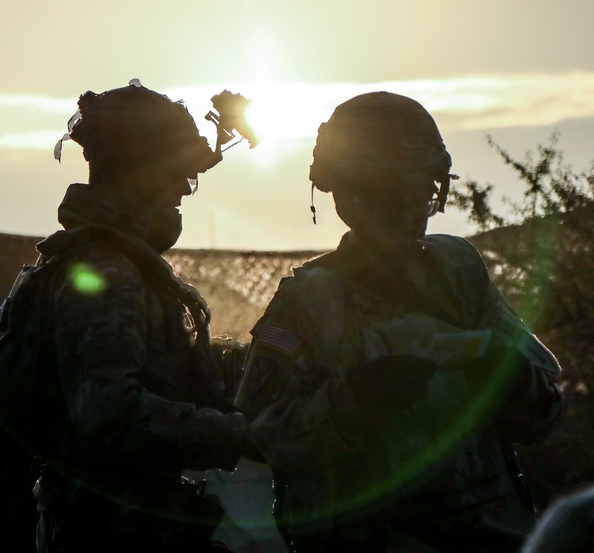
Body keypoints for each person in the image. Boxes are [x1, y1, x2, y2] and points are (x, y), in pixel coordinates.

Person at [235, 91, 563, 552]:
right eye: (390, 191)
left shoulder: (460, 273)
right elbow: (258, 434)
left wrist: (510, 379)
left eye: (423, 190)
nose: (409, 208)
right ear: (344, 189)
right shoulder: (310, 299)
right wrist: (353, 403)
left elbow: (544, 412)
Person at [13, 81, 250, 552]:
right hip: (110, 532)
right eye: (178, 173)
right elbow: (110, 415)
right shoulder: (106, 271)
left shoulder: (113, 263)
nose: (185, 187)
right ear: (140, 172)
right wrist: (238, 434)